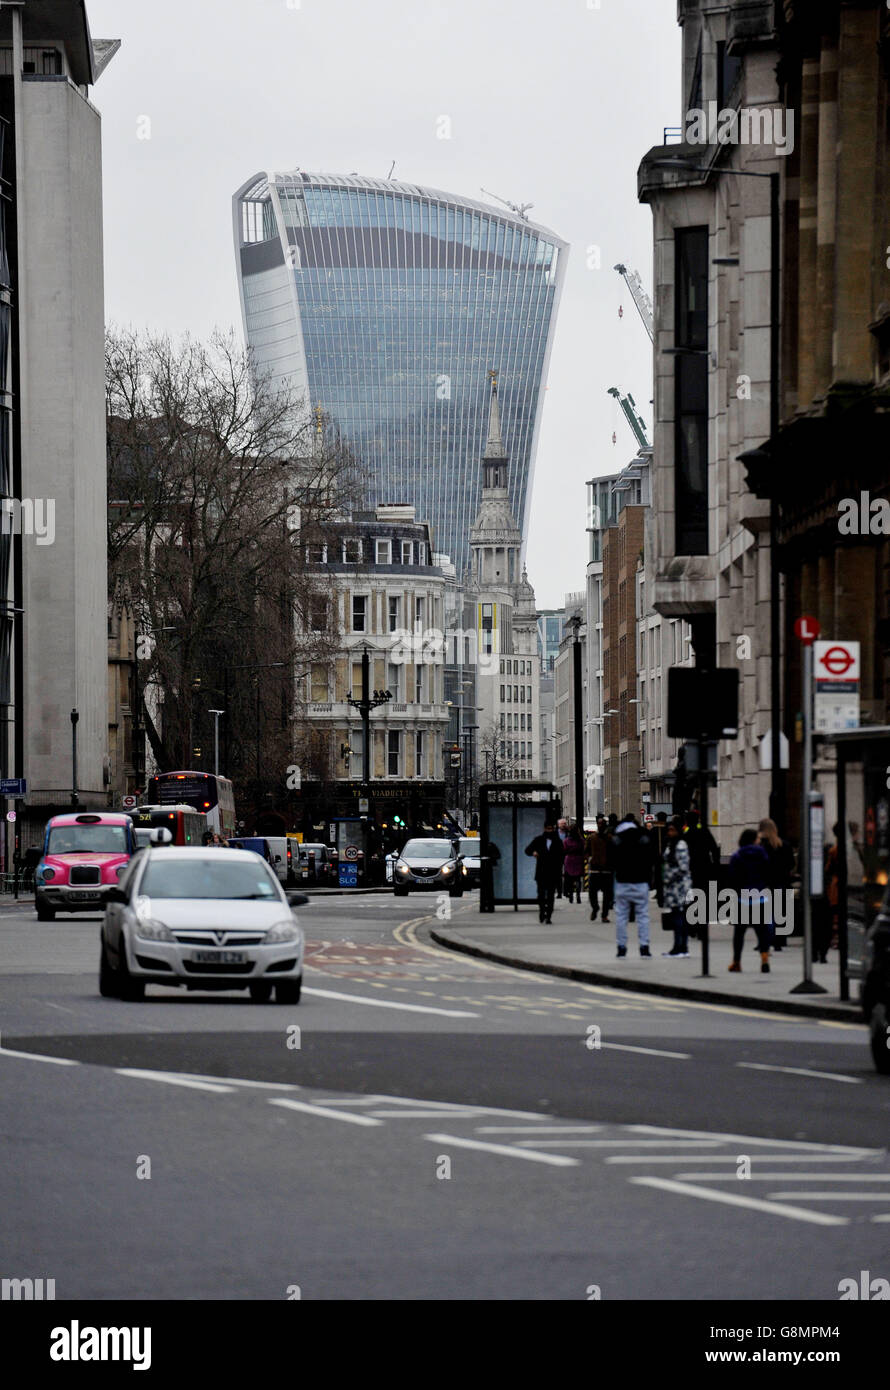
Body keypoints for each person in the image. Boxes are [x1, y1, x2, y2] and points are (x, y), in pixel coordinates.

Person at [726, 829, 772, 973]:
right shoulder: (763, 854)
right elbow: (768, 873)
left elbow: (732, 877)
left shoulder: (737, 856)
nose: (759, 840)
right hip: (760, 897)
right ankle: (764, 959)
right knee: (762, 931)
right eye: (757, 838)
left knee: (739, 933)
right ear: (753, 840)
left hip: (743, 898)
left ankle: (736, 962)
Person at [611, 812, 654, 958]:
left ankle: (621, 948)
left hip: (623, 883)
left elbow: (612, 862)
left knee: (621, 917)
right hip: (641, 882)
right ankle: (644, 947)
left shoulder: (617, 840)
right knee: (643, 916)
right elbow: (650, 860)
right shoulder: (643, 838)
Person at [758, 817, 794, 953]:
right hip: (782, 881)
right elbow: (791, 863)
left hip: (766, 882)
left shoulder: (762, 846)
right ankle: (780, 941)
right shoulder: (785, 845)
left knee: (767, 913)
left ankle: (768, 939)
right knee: (781, 912)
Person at [661, 816, 692, 957]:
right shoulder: (671, 844)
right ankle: (679, 946)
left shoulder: (680, 845)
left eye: (672, 830)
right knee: (678, 916)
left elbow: (683, 867)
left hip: (680, 887)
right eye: (669, 829)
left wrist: (669, 877)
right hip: (673, 887)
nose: (669, 832)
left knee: (680, 917)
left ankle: (680, 947)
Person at [525, 820, 565, 924]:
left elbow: (562, 856)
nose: (549, 831)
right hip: (541, 872)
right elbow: (527, 850)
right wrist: (533, 852)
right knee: (541, 895)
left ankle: (549, 915)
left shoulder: (557, 841)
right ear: (544, 829)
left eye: (551, 829)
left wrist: (559, 868)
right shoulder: (539, 840)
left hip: (553, 872)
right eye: (547, 828)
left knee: (551, 895)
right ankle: (542, 911)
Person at [585, 815, 613, 923]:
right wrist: (589, 858)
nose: (600, 826)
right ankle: (595, 907)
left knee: (607, 895)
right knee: (592, 892)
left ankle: (604, 915)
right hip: (595, 869)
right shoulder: (592, 838)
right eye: (599, 824)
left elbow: (614, 852)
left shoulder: (610, 838)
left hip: (607, 869)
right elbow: (586, 851)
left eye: (602, 824)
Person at [562, 822, 585, 903]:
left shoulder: (566, 841)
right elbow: (583, 849)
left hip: (569, 860)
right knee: (578, 879)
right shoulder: (581, 840)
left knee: (570, 880)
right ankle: (578, 896)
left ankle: (571, 896)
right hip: (578, 859)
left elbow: (564, 851)